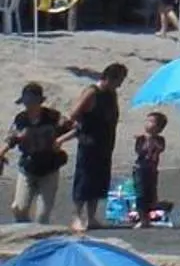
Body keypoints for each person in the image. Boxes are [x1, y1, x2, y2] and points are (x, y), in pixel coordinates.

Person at [63, 62, 126, 232]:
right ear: (109, 78)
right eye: (118, 80)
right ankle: (76, 216)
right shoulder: (92, 92)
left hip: (105, 143)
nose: (119, 84)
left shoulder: (111, 94)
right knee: (84, 179)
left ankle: (91, 217)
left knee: (99, 180)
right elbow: (74, 114)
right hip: (89, 142)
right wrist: (81, 134)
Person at [5, 84, 68, 225]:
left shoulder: (53, 117)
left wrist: (60, 140)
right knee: (18, 208)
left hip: (49, 168)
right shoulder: (20, 119)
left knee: (42, 216)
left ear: (40, 101)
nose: (28, 106)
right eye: (26, 102)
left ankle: (38, 240)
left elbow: (75, 128)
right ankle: (27, 234)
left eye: (31, 102)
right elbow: (11, 139)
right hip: (27, 167)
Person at [133, 111, 168, 228]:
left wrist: (152, 139)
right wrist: (144, 140)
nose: (148, 124)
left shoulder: (160, 139)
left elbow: (160, 148)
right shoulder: (141, 138)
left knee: (151, 193)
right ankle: (143, 218)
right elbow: (139, 151)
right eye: (147, 121)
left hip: (152, 170)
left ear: (159, 128)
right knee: (140, 193)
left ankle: (148, 216)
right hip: (140, 169)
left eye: (152, 122)